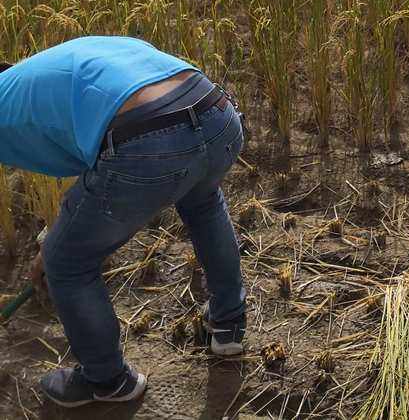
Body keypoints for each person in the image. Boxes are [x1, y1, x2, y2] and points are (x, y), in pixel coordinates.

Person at [0, 37, 246, 408]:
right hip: (217, 114)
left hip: (150, 140)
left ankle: (107, 380)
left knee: (68, 263)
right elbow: (95, 173)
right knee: (203, 203)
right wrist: (61, 236)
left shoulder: (8, 105)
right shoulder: (42, 74)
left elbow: (114, 171)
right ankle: (229, 325)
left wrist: (55, 253)